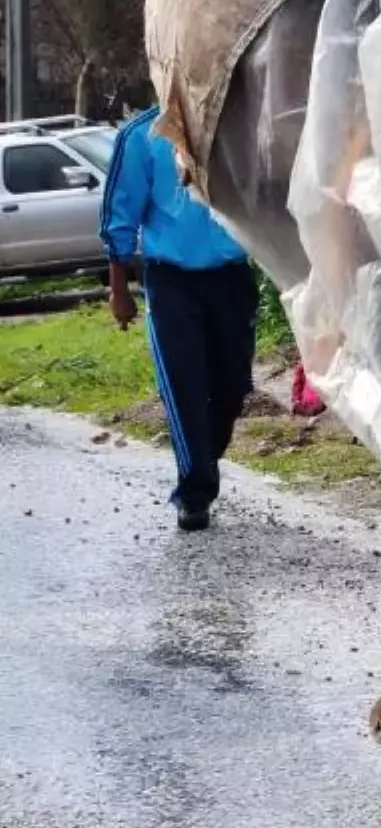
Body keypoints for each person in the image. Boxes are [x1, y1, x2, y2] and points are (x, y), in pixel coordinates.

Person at [101, 106, 258, 532]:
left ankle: (204, 455)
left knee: (233, 384)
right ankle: (194, 493)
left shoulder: (231, 124)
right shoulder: (141, 136)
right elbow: (120, 213)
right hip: (172, 281)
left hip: (231, 276)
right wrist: (119, 290)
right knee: (185, 384)